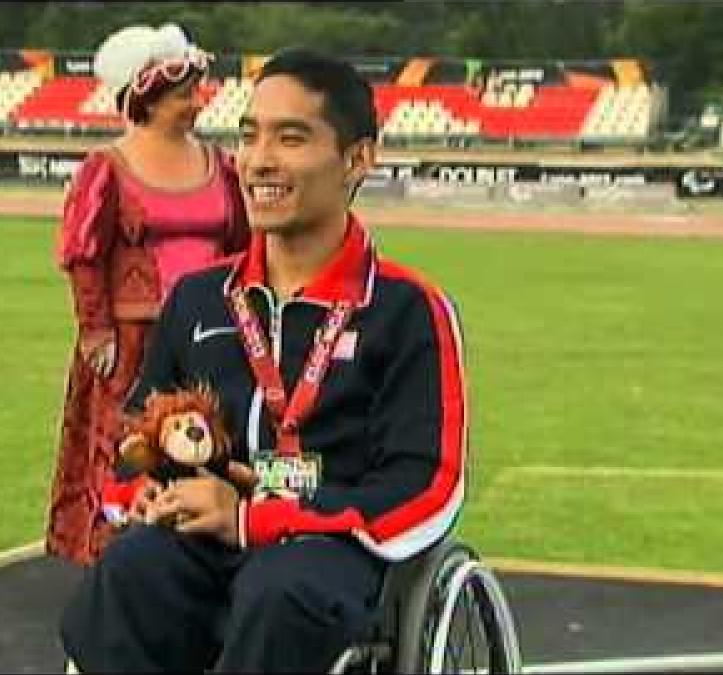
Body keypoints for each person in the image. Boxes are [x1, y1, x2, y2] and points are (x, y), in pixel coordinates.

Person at [57, 47, 469, 673]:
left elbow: (425, 487)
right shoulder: (199, 300)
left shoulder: (407, 309)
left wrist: (256, 518)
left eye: (292, 137)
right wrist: (140, 491)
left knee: (279, 595)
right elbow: (136, 432)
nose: (259, 160)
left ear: (358, 159)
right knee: (129, 573)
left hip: (328, 547)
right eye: (249, 137)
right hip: (203, 536)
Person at [45, 23, 250, 565]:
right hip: (135, 336)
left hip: (213, 329)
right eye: (184, 94)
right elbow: (83, 254)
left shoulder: (220, 165)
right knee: (129, 443)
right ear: (149, 99)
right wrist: (95, 330)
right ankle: (114, 548)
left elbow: (244, 246)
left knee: (211, 435)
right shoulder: (107, 168)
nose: (197, 103)